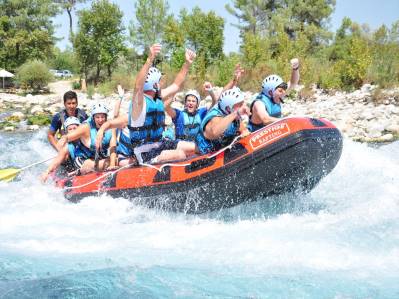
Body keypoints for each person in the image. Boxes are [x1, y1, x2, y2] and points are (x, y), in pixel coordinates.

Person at [96, 43, 196, 166]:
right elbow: (138, 86)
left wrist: (187, 64)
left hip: (160, 143)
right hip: (145, 152)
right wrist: (149, 59)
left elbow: (176, 85)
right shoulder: (139, 103)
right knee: (180, 154)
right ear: (155, 85)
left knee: (195, 147)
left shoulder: (158, 97)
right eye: (160, 81)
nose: (162, 84)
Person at [57, 103, 116, 174]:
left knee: (115, 160)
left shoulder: (111, 129)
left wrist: (112, 165)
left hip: (98, 159)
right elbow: (69, 136)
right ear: (93, 118)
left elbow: (113, 149)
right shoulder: (85, 127)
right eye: (97, 117)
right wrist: (63, 139)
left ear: (106, 117)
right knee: (102, 163)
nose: (100, 120)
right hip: (83, 161)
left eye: (103, 117)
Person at [247, 58, 300, 132]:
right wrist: (286, 121)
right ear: (270, 93)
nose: (284, 93)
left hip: (272, 133)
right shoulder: (259, 103)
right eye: (280, 90)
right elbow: (265, 119)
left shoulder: (278, 94)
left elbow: (293, 83)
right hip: (257, 137)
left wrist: (295, 68)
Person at [195, 87, 250, 155]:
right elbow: (214, 132)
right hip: (207, 154)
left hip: (224, 149)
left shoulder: (231, 113)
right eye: (240, 105)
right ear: (228, 108)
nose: (243, 107)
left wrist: (244, 132)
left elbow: (243, 130)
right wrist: (236, 113)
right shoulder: (214, 118)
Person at [41, 117, 81, 182]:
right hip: (70, 167)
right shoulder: (67, 147)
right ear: (67, 132)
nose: (73, 131)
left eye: (75, 128)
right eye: (70, 129)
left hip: (84, 164)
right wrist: (47, 172)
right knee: (65, 158)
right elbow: (58, 159)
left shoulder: (86, 139)